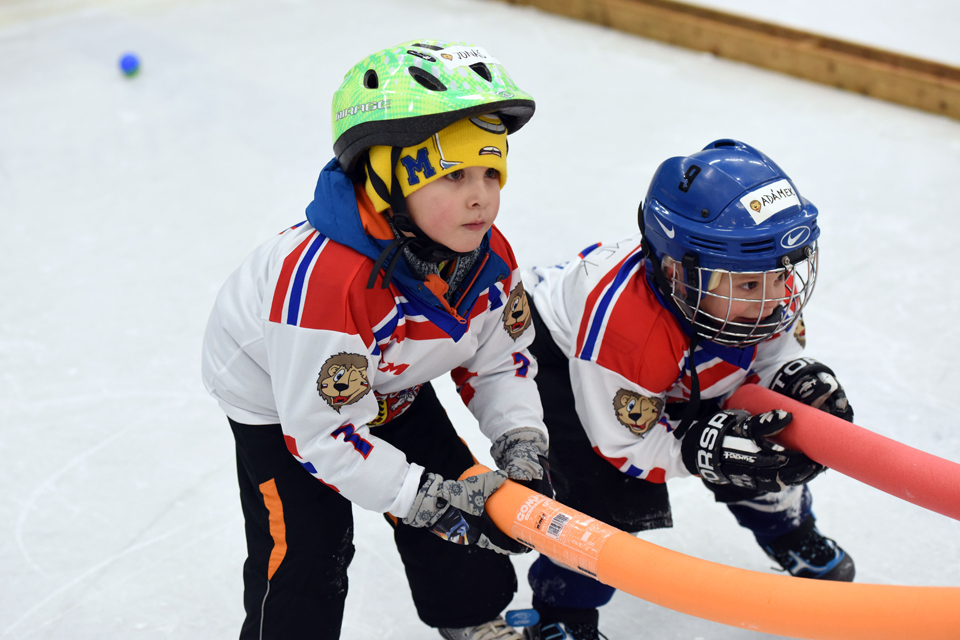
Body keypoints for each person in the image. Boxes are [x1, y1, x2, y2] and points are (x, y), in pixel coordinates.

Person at [201, 39, 552, 640]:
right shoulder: (326, 281)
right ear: (384, 178)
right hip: (283, 404)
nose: (481, 196)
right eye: (454, 175)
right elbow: (320, 435)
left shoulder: (487, 255)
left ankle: (472, 619)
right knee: (309, 551)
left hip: (392, 380)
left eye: (491, 171)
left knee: (464, 492)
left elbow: (500, 361)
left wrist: (521, 440)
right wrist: (429, 500)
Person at [519, 140, 855, 640]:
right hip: (566, 360)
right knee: (604, 499)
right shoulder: (626, 328)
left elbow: (770, 355)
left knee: (765, 441)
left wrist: (792, 380)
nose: (773, 297)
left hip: (678, 345)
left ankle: (789, 532)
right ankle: (561, 615)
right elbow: (622, 445)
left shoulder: (753, 284)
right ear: (678, 269)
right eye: (748, 284)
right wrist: (700, 448)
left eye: (782, 271)